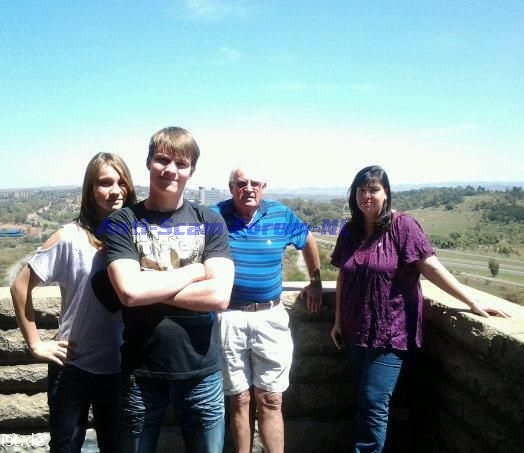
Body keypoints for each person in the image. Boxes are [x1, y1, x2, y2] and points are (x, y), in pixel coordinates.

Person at [330, 165, 509, 453]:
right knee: (364, 400)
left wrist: (472, 301)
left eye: (374, 189)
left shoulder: (403, 227)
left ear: (386, 193)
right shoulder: (350, 230)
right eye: (361, 190)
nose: (367, 196)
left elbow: (431, 268)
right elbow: (343, 277)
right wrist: (338, 320)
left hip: (389, 333)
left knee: (374, 401)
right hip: (354, 330)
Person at [93, 126, 235, 453]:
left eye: (181, 163)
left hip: (202, 373)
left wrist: (147, 283)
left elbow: (218, 296)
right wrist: (195, 271)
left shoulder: (210, 221)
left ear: (191, 171)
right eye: (162, 160)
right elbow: (129, 293)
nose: (170, 169)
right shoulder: (122, 222)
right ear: (148, 163)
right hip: (140, 374)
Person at [10, 152, 137, 452]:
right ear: (90, 190)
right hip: (73, 367)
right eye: (105, 183)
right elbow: (20, 286)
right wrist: (35, 344)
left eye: (121, 182)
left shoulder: (137, 236)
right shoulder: (69, 237)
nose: (116, 190)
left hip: (121, 368)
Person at [211, 164, 323, 453]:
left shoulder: (280, 214)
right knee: (239, 400)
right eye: (241, 183)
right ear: (231, 188)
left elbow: (308, 239)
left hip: (270, 317)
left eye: (255, 183)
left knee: (271, 399)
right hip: (228, 317)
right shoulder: (214, 216)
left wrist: (315, 281)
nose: (248, 188)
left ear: (264, 187)